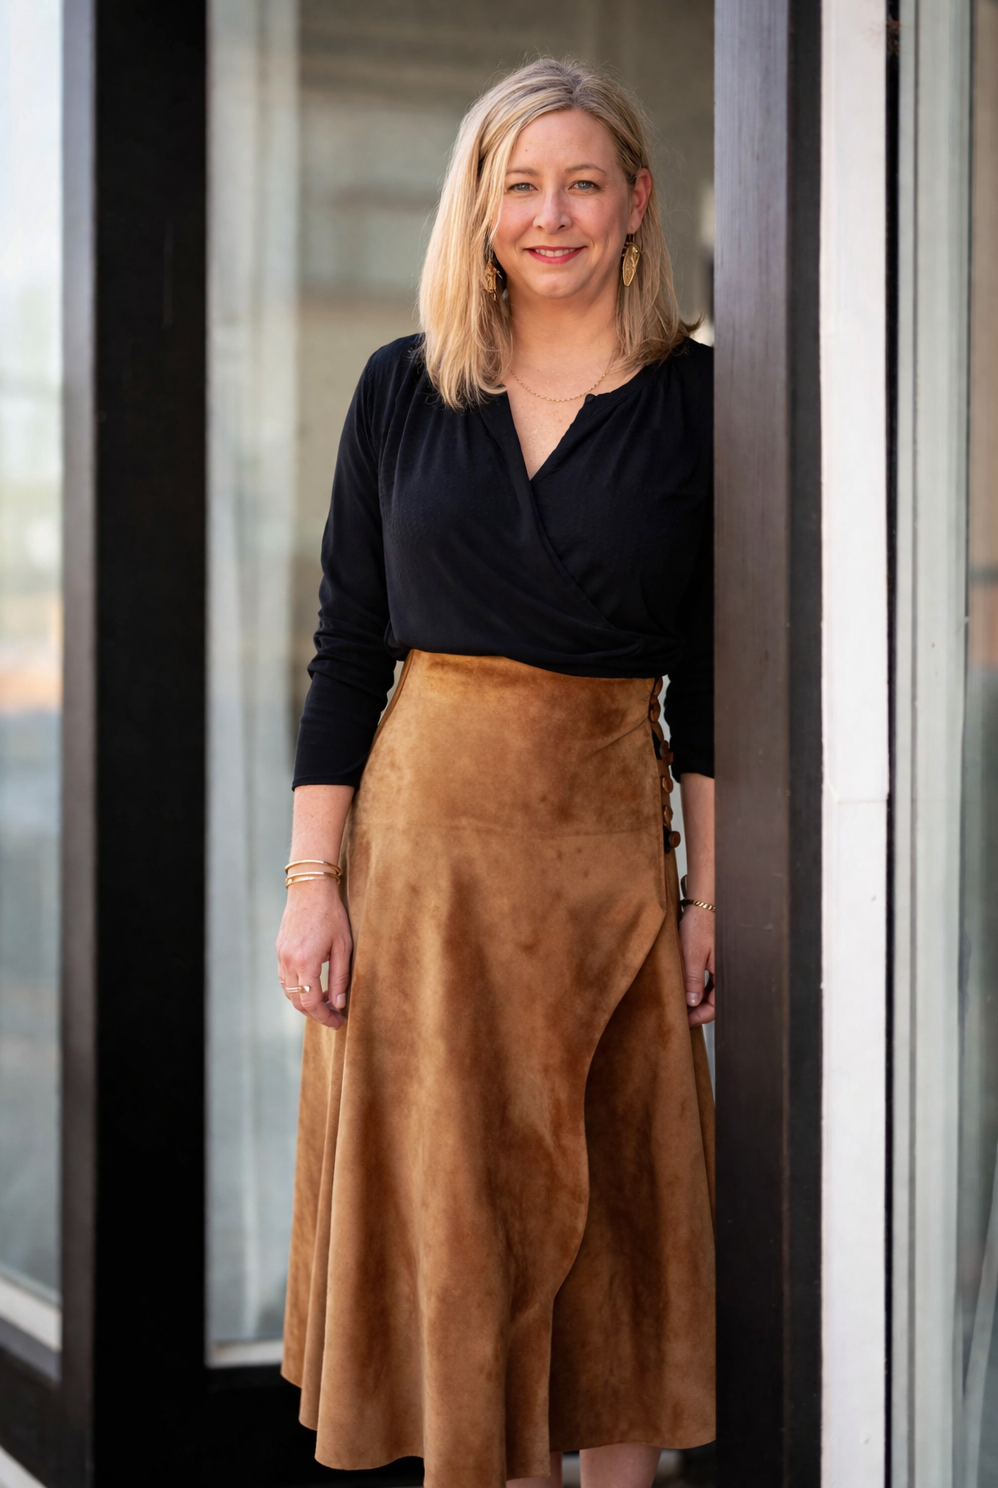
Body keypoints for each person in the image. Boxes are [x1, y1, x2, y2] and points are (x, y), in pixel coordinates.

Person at [276, 57, 715, 1488]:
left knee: (618, 1229)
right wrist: (311, 881)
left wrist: (708, 898)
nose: (552, 214)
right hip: (426, 881)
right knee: (466, 1226)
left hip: (605, 870)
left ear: (637, 203)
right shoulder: (403, 389)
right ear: (477, 209)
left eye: (584, 181)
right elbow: (347, 648)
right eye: (519, 184)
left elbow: (714, 679)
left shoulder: (708, 403)